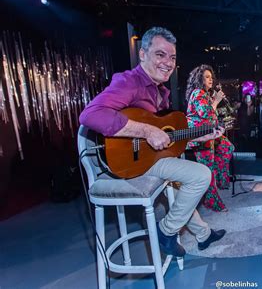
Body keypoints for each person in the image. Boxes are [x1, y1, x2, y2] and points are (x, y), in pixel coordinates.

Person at [79, 27, 225, 257]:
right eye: (160, 54)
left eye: (172, 57)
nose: (168, 62)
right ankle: (166, 230)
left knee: (179, 184)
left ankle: (203, 234)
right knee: (201, 175)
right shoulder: (130, 82)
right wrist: (146, 130)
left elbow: (164, 141)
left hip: (147, 156)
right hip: (128, 161)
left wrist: (198, 136)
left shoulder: (160, 91)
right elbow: (90, 115)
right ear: (143, 54)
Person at [185, 64, 235, 212]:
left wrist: (217, 101)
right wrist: (216, 101)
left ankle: (221, 179)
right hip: (199, 136)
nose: (210, 79)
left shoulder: (206, 95)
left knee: (227, 147)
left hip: (209, 133)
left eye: (211, 77)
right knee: (208, 169)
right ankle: (211, 201)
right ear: (200, 79)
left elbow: (213, 115)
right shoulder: (197, 93)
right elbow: (206, 114)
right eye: (207, 77)